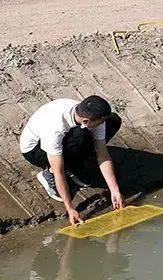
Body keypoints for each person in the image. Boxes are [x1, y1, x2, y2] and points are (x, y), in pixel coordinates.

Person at [20, 96, 124, 226]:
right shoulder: (54, 128)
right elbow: (59, 172)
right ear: (86, 121)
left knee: (113, 121)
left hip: (69, 136)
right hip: (35, 150)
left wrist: (114, 190)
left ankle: (74, 165)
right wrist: (70, 208)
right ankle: (48, 174)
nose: (102, 124)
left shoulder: (89, 115)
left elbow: (102, 154)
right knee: (79, 137)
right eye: (100, 122)